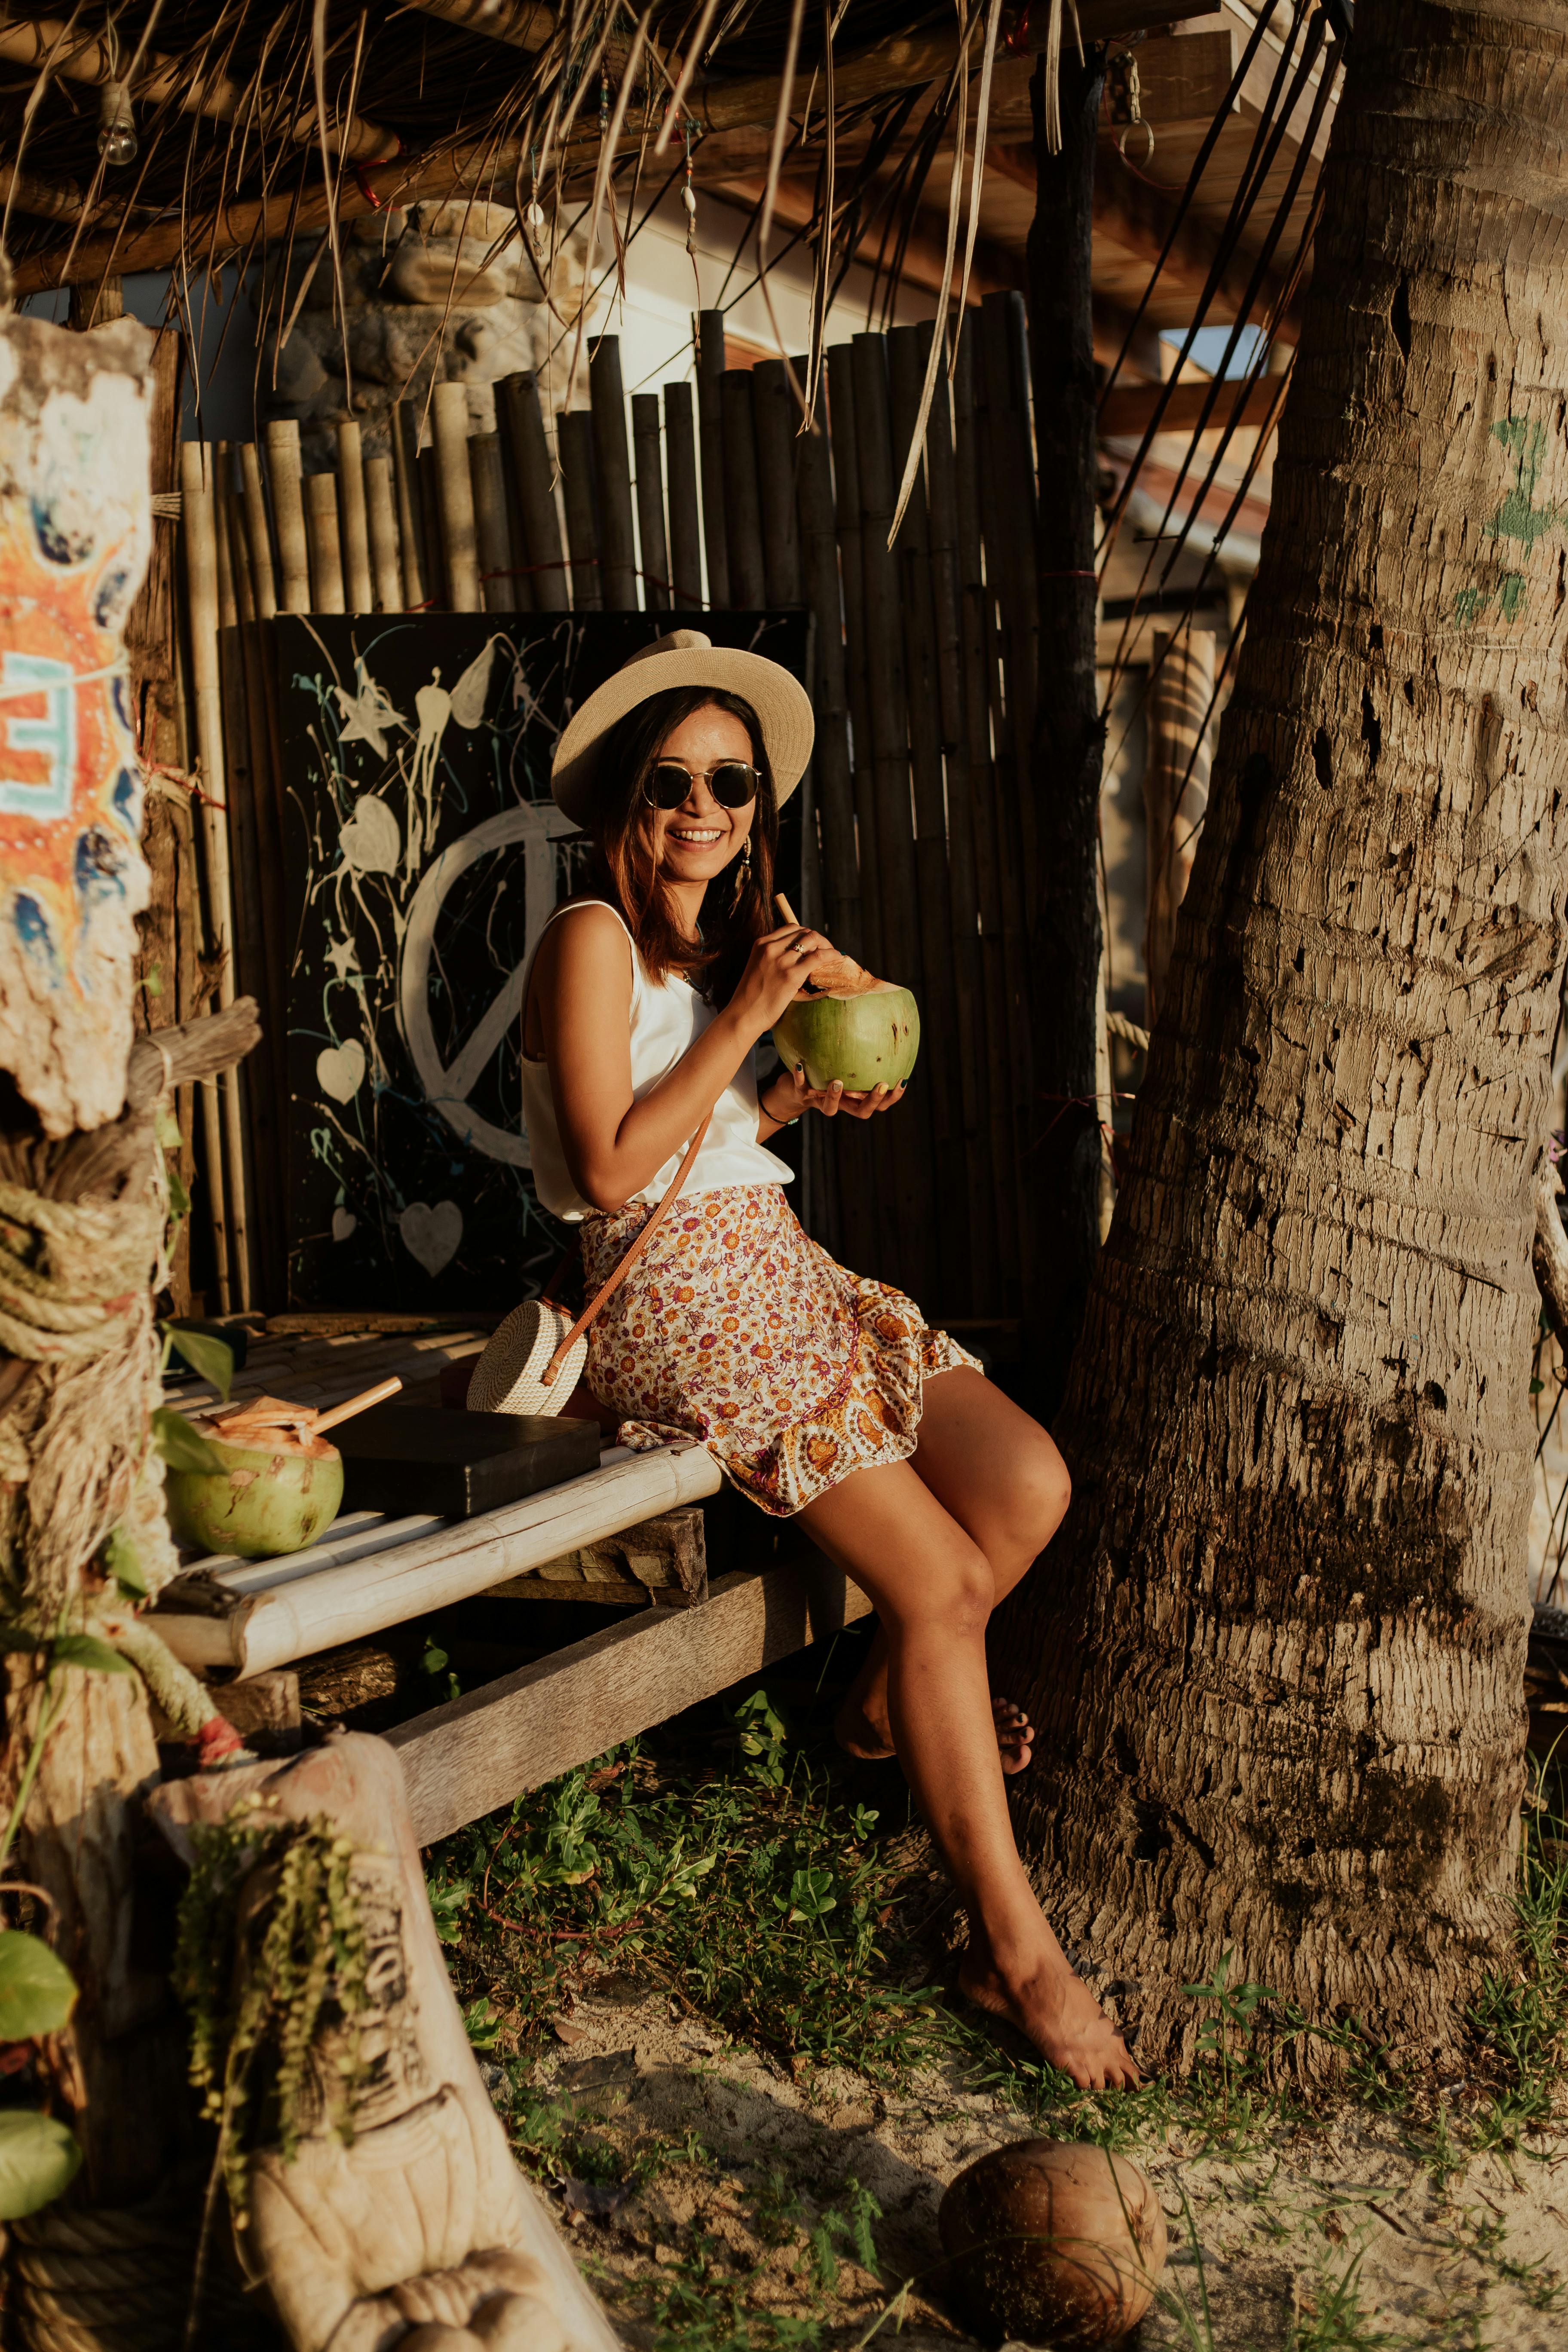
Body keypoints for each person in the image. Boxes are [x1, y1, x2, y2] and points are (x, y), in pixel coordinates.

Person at [518, 631, 1137, 2091]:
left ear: (755, 805)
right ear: (627, 794)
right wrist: (741, 1024)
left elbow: (705, 1144)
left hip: (778, 1268)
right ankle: (1017, 1952)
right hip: (674, 1300)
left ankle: (875, 1705)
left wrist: (783, 1099)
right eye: (672, 779)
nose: (703, 807)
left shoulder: (727, 944)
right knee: (941, 1584)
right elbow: (609, 1173)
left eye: (729, 780)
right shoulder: (588, 937)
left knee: (1027, 1487)